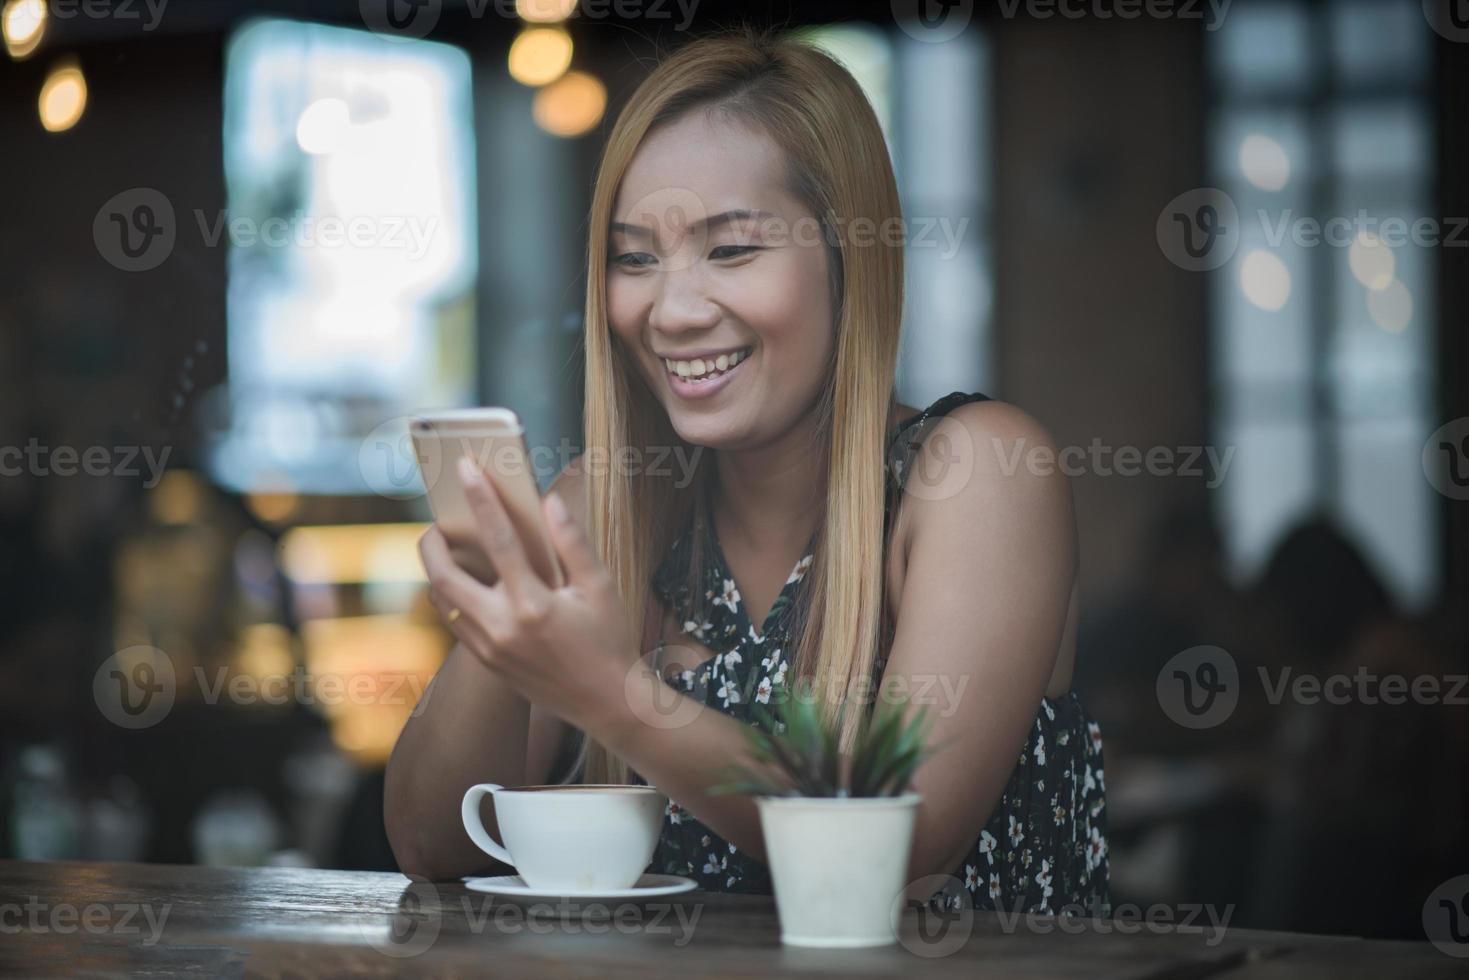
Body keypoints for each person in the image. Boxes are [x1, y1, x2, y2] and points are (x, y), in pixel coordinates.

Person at [385, 28, 1108, 914]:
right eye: (634, 257)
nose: (672, 310)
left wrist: (613, 694)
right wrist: (500, 624)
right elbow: (432, 847)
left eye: (731, 250)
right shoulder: (613, 508)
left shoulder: (980, 472)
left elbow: (903, 844)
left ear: (850, 259)